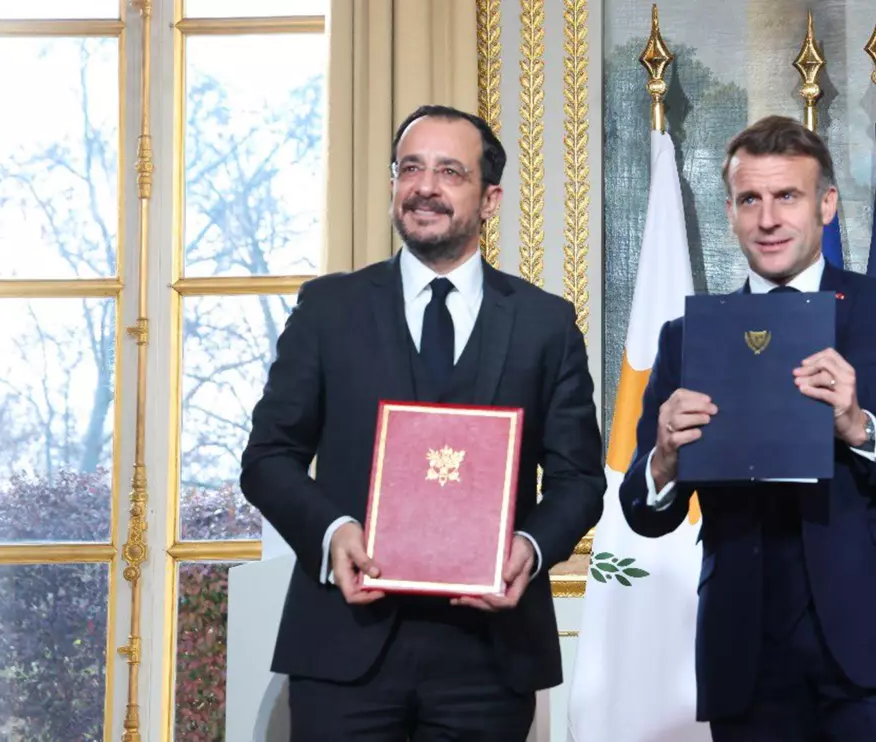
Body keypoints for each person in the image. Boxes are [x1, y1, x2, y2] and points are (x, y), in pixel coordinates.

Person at [240, 104, 605, 740]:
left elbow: (579, 481)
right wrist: (332, 533)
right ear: (392, 186)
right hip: (342, 648)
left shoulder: (547, 324)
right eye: (410, 168)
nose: (426, 187)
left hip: (489, 660)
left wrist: (530, 548)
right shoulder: (329, 309)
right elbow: (268, 457)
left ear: (490, 199)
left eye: (449, 172)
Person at [619, 115, 876, 741]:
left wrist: (861, 425)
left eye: (787, 196)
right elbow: (642, 511)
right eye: (750, 200)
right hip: (747, 654)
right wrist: (663, 459)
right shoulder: (687, 339)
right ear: (732, 213)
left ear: (827, 205)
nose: (768, 219)